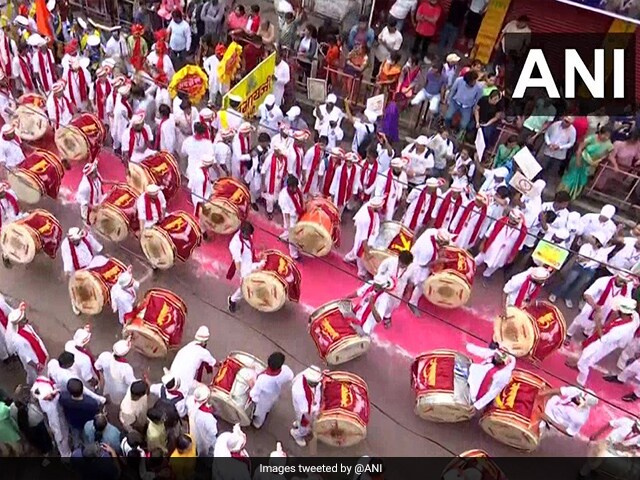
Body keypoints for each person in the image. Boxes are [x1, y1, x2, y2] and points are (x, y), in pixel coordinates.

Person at [574, 297, 639, 386]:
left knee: (584, 361)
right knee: (589, 358)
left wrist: (598, 321)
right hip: (608, 339)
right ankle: (580, 366)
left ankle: (580, 382)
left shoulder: (621, 330)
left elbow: (603, 339)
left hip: (604, 344)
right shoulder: (634, 316)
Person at [565, 270, 633, 343]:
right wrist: (595, 307)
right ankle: (568, 335)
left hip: (607, 312)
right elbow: (587, 295)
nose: (622, 283)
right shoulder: (603, 281)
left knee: (595, 328)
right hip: (592, 307)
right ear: (617, 276)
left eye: (625, 282)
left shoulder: (627, 289)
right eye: (621, 280)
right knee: (578, 322)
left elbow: (627, 302)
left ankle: (585, 337)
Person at [560, 125, 614, 199]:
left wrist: (615, 165)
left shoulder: (608, 145)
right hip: (579, 159)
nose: (605, 137)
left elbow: (609, 155)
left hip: (589, 165)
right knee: (570, 177)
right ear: (600, 133)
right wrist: (578, 160)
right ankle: (562, 194)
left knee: (581, 181)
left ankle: (572, 197)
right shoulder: (592, 138)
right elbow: (580, 148)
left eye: (608, 136)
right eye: (604, 134)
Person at [407, 228, 451, 314]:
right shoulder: (428, 249)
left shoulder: (433, 231)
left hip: (417, 254)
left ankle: (410, 294)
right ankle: (412, 302)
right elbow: (424, 264)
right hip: (419, 263)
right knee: (422, 284)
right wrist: (440, 260)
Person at [475, 209, 528, 278]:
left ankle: (486, 275)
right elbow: (488, 233)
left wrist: (512, 257)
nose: (511, 225)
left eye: (513, 224)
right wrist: (483, 243)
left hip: (505, 252)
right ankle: (471, 266)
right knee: (479, 258)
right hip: (491, 246)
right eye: (510, 223)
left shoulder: (522, 231)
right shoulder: (501, 221)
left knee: (497, 264)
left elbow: (519, 247)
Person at [249, 352, 294, 429]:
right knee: (268, 406)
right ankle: (266, 412)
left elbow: (253, 395)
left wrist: (251, 384)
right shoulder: (285, 371)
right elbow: (291, 376)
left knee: (260, 413)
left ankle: (257, 424)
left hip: (263, 399)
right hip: (274, 394)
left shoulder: (262, 379)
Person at [227, 222, 265, 312]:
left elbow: (249, 247)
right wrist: (243, 277)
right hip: (244, 268)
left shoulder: (247, 236)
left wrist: (257, 255)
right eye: (248, 235)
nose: (250, 236)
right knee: (244, 287)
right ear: (243, 233)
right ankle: (232, 300)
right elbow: (238, 264)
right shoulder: (235, 244)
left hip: (250, 260)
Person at [466, 343, 516, 411]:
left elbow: (492, 393)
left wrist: (477, 406)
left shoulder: (504, 374)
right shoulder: (494, 354)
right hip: (469, 375)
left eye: (502, 355)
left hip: (474, 393)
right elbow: (480, 351)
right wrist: (467, 345)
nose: (497, 355)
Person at [344, 196, 385, 278]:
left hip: (368, 233)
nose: (382, 208)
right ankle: (361, 272)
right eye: (380, 206)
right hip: (363, 236)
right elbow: (364, 239)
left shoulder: (372, 209)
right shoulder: (365, 218)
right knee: (361, 251)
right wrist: (367, 252)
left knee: (357, 250)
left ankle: (348, 258)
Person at [8, 303, 48, 385]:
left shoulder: (24, 326)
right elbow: (27, 358)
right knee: (34, 376)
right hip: (35, 362)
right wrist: (36, 365)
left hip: (37, 351)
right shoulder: (18, 340)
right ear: (18, 323)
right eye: (23, 320)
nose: (26, 320)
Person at [31, 376, 71, 456]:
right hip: (53, 415)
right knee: (60, 435)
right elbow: (49, 397)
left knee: (63, 427)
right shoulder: (46, 401)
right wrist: (56, 392)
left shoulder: (41, 382)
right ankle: (66, 455)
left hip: (58, 411)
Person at [169, 326, 216, 394]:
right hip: (184, 385)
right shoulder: (203, 352)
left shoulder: (187, 346)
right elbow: (215, 364)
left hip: (172, 378)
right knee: (206, 391)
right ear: (204, 342)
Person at [59, 378, 101, 446]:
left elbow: (61, 400)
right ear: (82, 389)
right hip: (87, 424)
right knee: (87, 439)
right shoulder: (91, 402)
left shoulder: (64, 398)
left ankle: (77, 450)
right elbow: (96, 412)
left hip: (73, 422)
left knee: (75, 438)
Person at [290, 366, 323, 447]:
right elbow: (305, 412)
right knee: (304, 427)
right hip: (305, 413)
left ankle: (298, 424)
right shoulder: (300, 392)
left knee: (301, 421)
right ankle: (297, 434)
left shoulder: (313, 379)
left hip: (310, 408)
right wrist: (312, 420)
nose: (317, 384)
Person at [95, 340, 135, 405]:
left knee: (110, 394)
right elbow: (131, 383)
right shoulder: (126, 368)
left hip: (108, 383)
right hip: (120, 390)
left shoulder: (105, 355)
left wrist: (102, 379)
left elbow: (97, 367)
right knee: (119, 401)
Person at [539, 117, 577, 181]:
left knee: (550, 173)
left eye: (568, 122)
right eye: (565, 120)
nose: (565, 123)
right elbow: (547, 133)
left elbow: (571, 143)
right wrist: (549, 143)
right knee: (541, 167)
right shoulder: (555, 124)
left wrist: (560, 147)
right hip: (548, 151)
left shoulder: (573, 131)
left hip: (559, 155)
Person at [278, 175, 305, 260]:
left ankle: (283, 237)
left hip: (298, 213)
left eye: (295, 187)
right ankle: (294, 254)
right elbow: (286, 214)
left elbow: (301, 197)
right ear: (289, 187)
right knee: (292, 235)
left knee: (290, 233)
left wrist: (303, 206)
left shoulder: (297, 187)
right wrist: (289, 227)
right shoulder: (284, 196)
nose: (295, 190)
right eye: (293, 188)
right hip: (290, 216)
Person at [187, 384, 217, 456]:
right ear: (206, 400)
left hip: (193, 433)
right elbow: (213, 432)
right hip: (205, 439)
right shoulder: (208, 417)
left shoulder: (189, 400)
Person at [329, 152, 361, 218]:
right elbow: (335, 180)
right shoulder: (339, 169)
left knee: (342, 208)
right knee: (335, 207)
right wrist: (332, 192)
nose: (349, 163)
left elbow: (356, 181)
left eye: (351, 162)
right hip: (338, 191)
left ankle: (338, 218)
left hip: (347, 192)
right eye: (348, 161)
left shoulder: (356, 170)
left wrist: (354, 191)